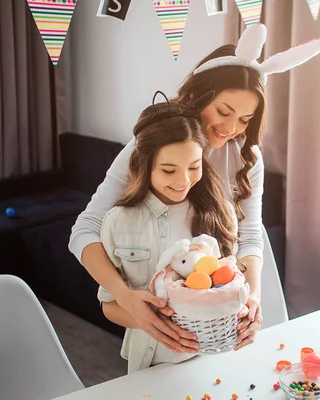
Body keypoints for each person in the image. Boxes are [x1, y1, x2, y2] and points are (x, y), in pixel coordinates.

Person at [69, 23, 320, 353]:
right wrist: (124, 296)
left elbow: (250, 235)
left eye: (245, 119)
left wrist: (254, 296)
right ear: (199, 94)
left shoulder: (246, 157)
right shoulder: (150, 146)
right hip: (172, 312)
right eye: (224, 111)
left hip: (227, 297)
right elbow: (85, 230)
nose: (232, 128)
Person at [98, 99, 239, 373]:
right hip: (152, 364)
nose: (183, 180)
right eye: (168, 170)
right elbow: (109, 305)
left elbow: (231, 283)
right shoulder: (120, 222)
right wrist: (153, 323)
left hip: (216, 360)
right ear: (145, 165)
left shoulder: (220, 213)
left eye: (194, 166)